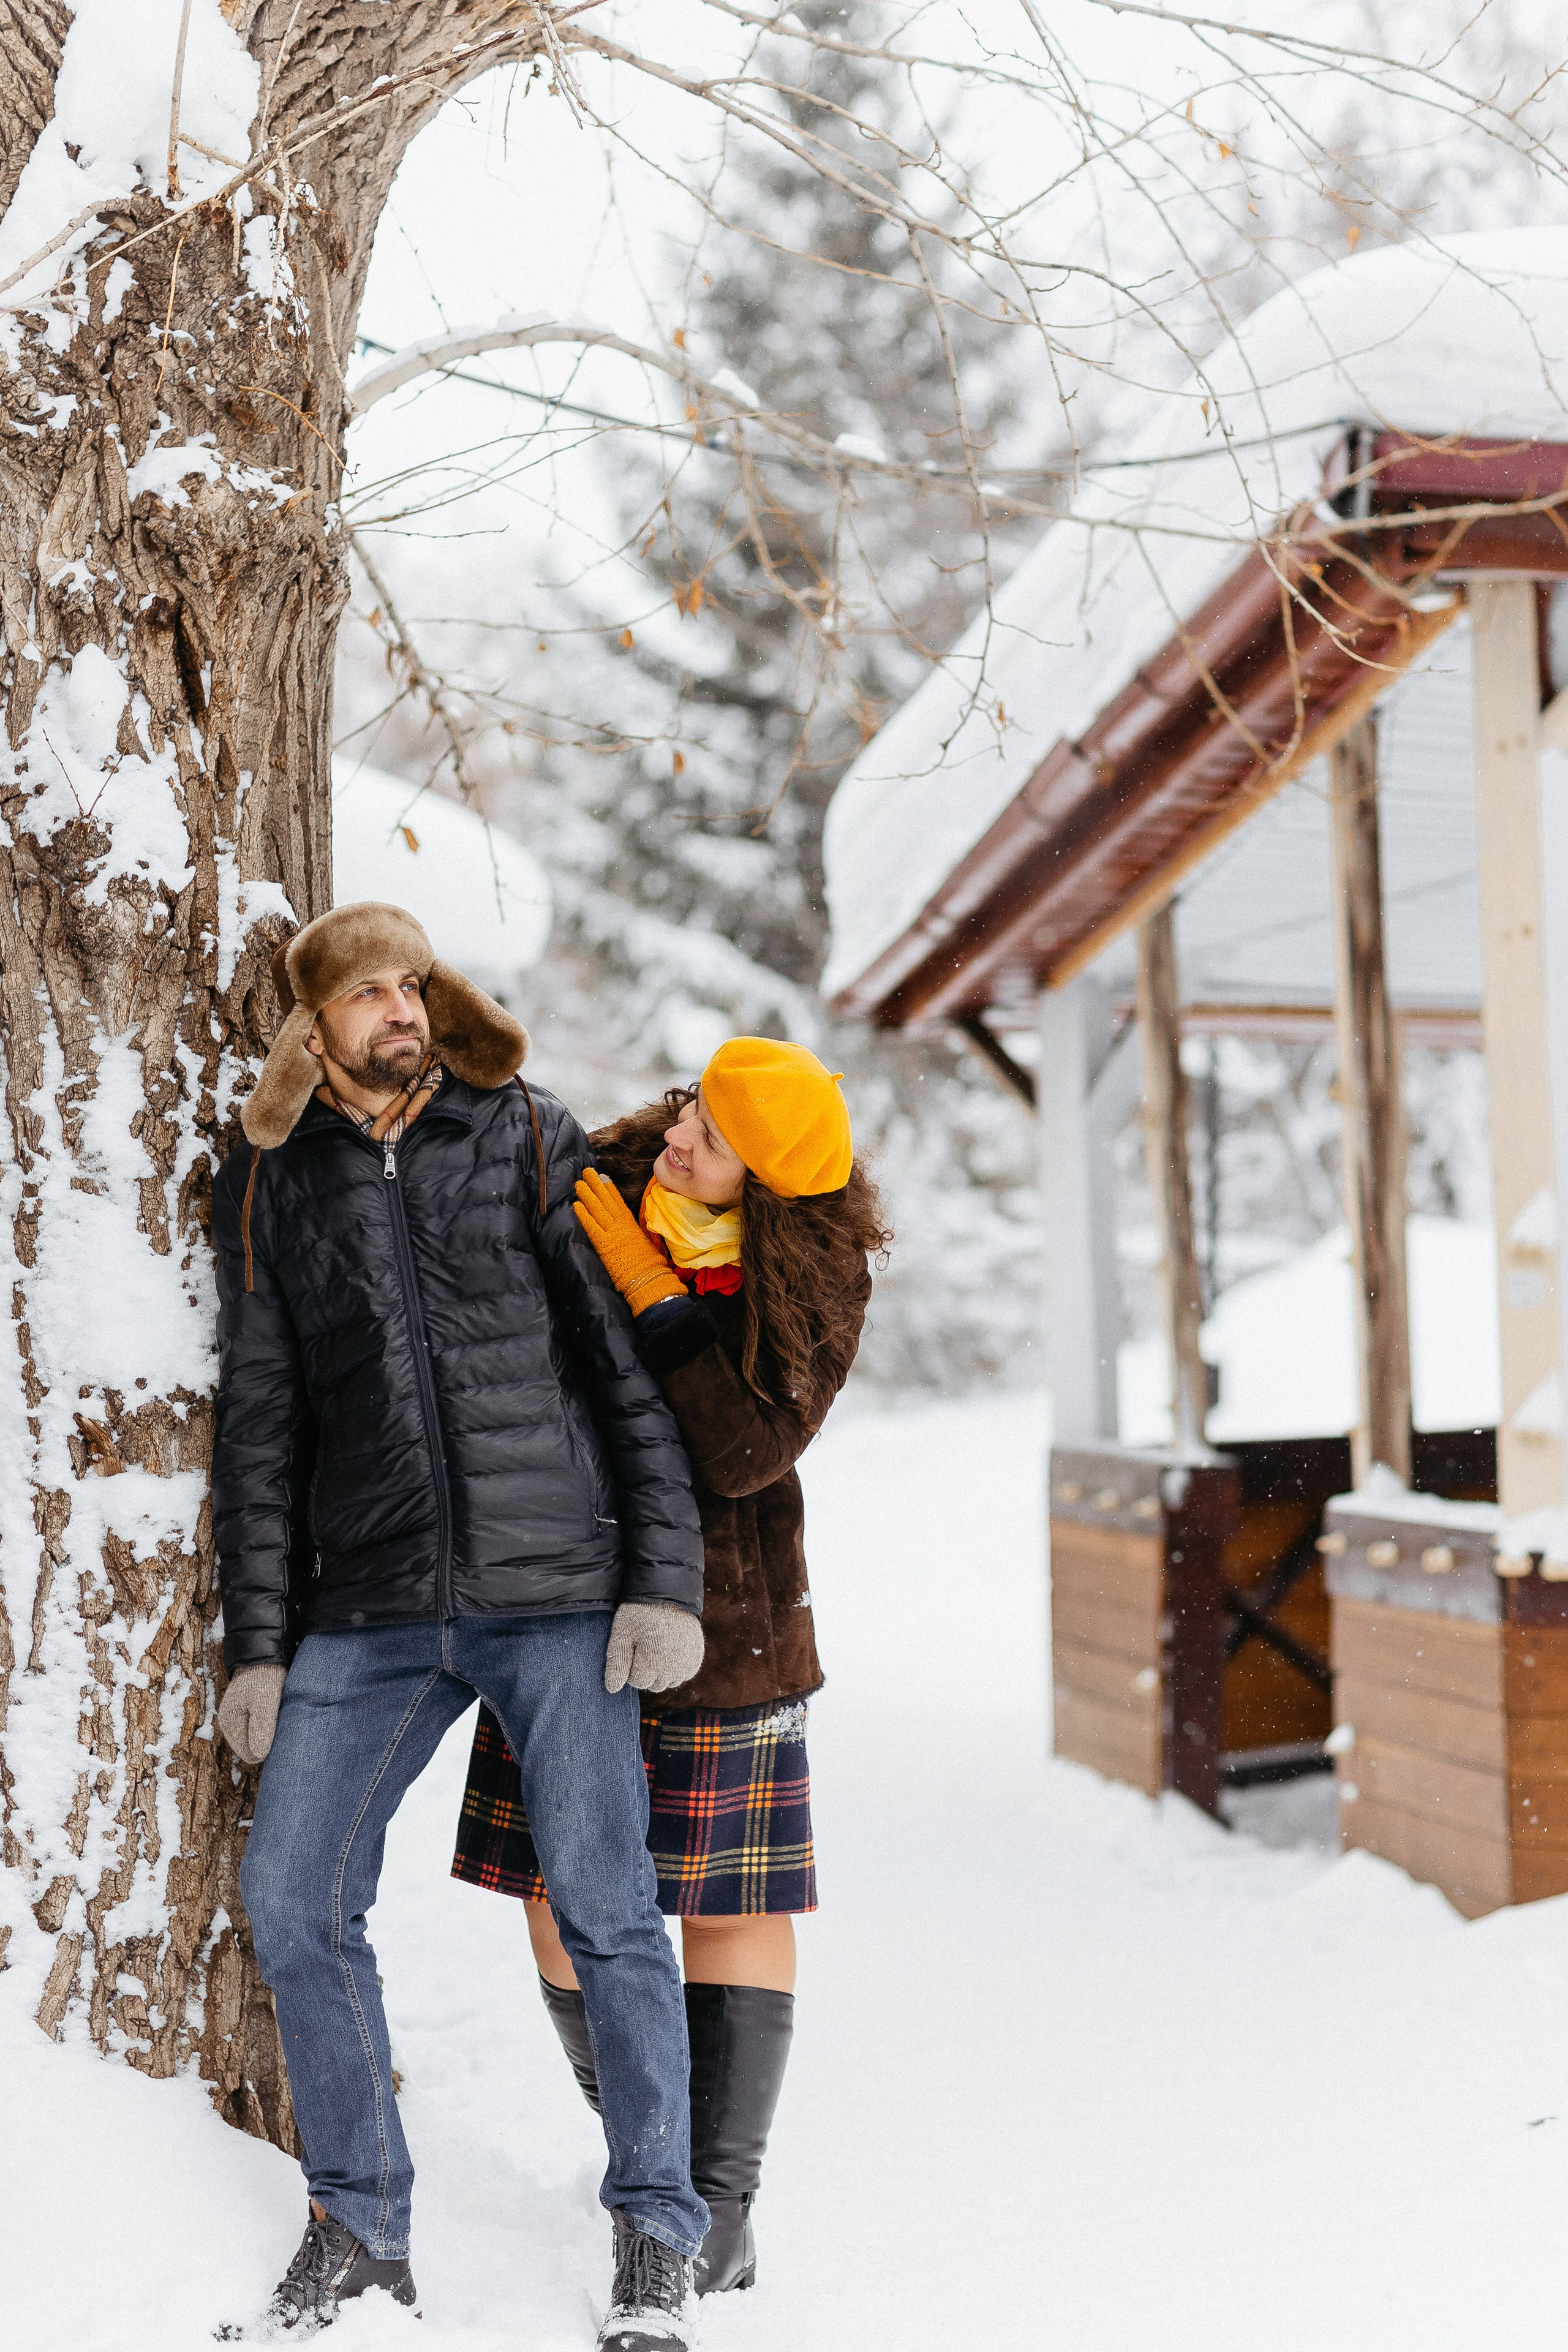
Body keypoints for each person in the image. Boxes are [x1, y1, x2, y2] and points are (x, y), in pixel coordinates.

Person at [209, 901, 709, 2348]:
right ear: (316, 1021)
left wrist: (659, 1582)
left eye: (412, 984)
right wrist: (259, 1643)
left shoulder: (522, 1132)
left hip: (554, 1590)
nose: (400, 1011)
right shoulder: (269, 1184)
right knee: (295, 1899)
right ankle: (360, 2225)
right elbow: (260, 1422)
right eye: (368, 993)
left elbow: (621, 1369)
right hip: (363, 1607)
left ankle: (656, 2235)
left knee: (612, 1913)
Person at [452, 1037, 891, 2296]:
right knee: (551, 1888)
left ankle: (720, 2205)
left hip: (733, 1623)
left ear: (763, 1183)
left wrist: (654, 1300)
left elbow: (747, 1453)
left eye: (715, 1135)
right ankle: (650, 2157)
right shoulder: (593, 1179)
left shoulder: (816, 1275)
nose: (682, 1132)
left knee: (727, 1905)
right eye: (695, 1104)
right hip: (566, 1593)